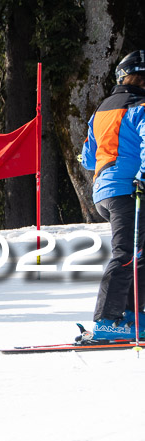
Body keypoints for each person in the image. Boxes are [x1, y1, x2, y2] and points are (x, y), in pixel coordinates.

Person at [81, 50, 145, 340]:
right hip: (129, 190)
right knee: (127, 254)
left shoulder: (102, 109)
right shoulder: (141, 105)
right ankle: (107, 322)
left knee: (138, 253)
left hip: (105, 192)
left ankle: (134, 317)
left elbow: (88, 158)